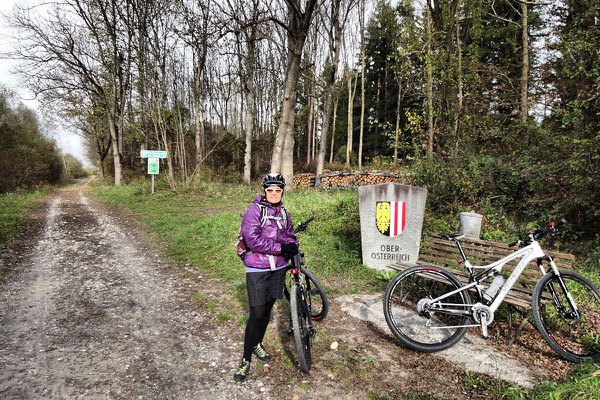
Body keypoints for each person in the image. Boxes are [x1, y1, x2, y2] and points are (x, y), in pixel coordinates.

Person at [233, 173, 299, 382]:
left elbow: (290, 236)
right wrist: (281, 248)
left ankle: (257, 344)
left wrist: (293, 246)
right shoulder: (254, 211)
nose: (273, 194)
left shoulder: (284, 213)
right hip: (257, 268)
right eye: (269, 190)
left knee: (268, 308)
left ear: (282, 191)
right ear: (264, 191)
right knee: (257, 313)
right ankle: (245, 360)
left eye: (277, 190)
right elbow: (253, 240)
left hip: (278, 267)